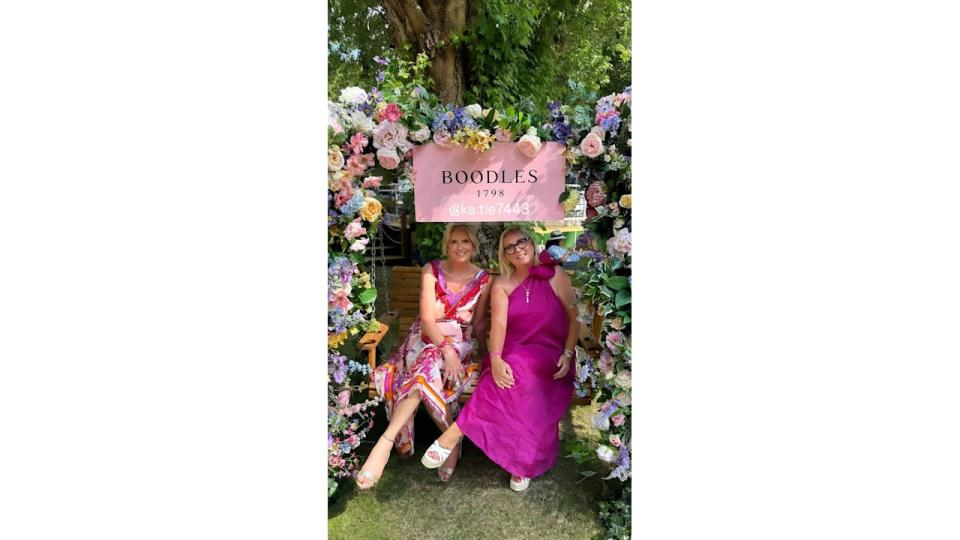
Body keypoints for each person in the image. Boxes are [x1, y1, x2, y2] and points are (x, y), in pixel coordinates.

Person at [421, 227, 579, 491]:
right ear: (504, 255)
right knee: (510, 372)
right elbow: (499, 325)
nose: (518, 249)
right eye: (510, 247)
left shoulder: (557, 276)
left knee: (519, 371)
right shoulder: (502, 284)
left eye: (522, 242)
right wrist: (494, 358)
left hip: (552, 353)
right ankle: (519, 464)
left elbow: (574, 318)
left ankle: (456, 433)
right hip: (514, 350)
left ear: (532, 242)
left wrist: (568, 352)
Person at [355, 223, 491, 489]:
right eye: (454, 242)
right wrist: (447, 351)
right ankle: (450, 442)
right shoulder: (432, 271)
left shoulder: (484, 279)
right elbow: (428, 321)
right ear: (446, 245)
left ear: (474, 245)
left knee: (426, 368)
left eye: (465, 241)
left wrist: (483, 354)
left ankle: (385, 442)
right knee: (428, 359)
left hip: (459, 344)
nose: (460, 247)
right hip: (422, 341)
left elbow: (478, 325)